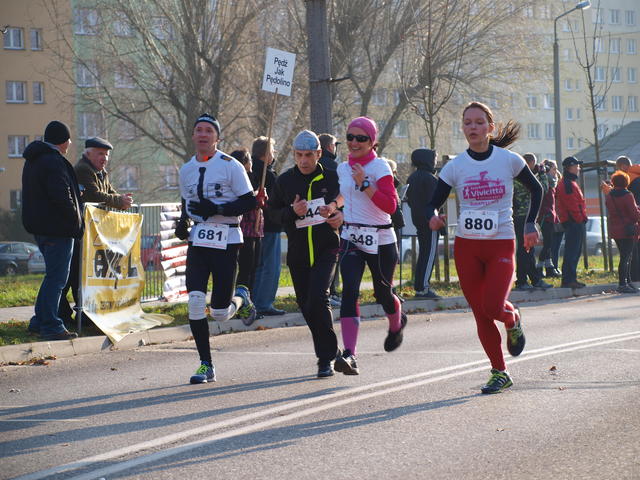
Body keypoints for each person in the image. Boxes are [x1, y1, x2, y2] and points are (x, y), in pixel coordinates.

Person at [426, 101, 542, 394]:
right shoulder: (455, 166)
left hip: (501, 243)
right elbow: (433, 202)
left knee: (492, 306)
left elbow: (537, 188)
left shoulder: (508, 160)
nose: (473, 127)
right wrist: (433, 216)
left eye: (479, 122)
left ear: (490, 127)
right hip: (467, 247)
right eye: (468, 123)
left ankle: (511, 318)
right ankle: (500, 372)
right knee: (480, 313)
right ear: (463, 128)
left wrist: (530, 224)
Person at [175, 113, 257, 384]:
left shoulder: (231, 166)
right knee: (196, 302)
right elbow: (186, 202)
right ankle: (205, 364)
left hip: (227, 240)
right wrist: (183, 222)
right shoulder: (186, 169)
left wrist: (218, 208)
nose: (203, 134)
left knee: (220, 313)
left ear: (217, 137)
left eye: (208, 130)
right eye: (198, 130)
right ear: (193, 135)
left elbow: (249, 202)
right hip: (198, 241)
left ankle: (241, 298)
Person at [335, 116, 407, 376]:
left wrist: (365, 183)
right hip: (351, 236)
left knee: (382, 294)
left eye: (361, 138)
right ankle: (350, 354)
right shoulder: (343, 168)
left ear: (372, 141)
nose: (354, 143)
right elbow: (345, 194)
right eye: (350, 137)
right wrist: (333, 206)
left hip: (381, 238)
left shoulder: (380, 167)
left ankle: (396, 323)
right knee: (349, 292)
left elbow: (390, 206)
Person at [268, 130, 344, 377]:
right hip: (298, 252)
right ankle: (332, 351)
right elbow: (272, 215)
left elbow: (348, 202)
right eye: (299, 155)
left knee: (319, 298)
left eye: (309, 155)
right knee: (307, 306)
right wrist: (292, 211)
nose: (303, 160)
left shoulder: (332, 177)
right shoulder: (285, 181)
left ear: (319, 153)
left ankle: (325, 359)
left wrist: (340, 217)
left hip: (327, 248)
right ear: (293, 154)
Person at [59, 137, 134, 327]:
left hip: (92, 234)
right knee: (72, 276)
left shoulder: (101, 172)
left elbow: (109, 192)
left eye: (106, 155)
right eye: (100, 154)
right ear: (88, 153)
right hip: (80, 232)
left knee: (83, 276)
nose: (104, 158)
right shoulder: (83, 170)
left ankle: (84, 316)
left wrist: (122, 200)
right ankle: (65, 315)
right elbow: (94, 195)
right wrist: (119, 201)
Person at [22, 120, 83, 340]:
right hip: (58, 229)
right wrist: (75, 221)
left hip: (41, 227)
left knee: (52, 277)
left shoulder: (34, 160)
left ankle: (39, 322)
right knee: (57, 279)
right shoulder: (53, 161)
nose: (70, 143)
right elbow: (61, 196)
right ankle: (51, 325)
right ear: (63, 140)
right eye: (69, 139)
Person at [251, 136, 285, 317]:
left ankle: (256, 301)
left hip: (255, 227)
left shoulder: (249, 170)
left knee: (259, 265)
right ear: (264, 154)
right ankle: (263, 303)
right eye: (272, 151)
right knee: (270, 266)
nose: (274, 154)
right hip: (269, 225)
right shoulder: (267, 174)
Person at [231, 148, 263, 323]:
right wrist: (257, 197)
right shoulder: (240, 178)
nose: (251, 164)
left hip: (255, 230)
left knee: (252, 268)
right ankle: (241, 306)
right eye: (249, 160)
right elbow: (247, 201)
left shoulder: (252, 177)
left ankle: (247, 303)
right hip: (245, 231)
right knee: (245, 269)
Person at [512, 153, 552, 291]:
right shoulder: (522, 178)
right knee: (526, 248)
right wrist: (542, 174)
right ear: (528, 164)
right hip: (525, 217)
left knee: (527, 249)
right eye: (533, 165)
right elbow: (543, 189)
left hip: (520, 216)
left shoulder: (514, 177)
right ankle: (524, 280)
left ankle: (531, 279)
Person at [406, 148, 441, 299]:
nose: (435, 161)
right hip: (430, 221)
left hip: (418, 219)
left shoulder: (412, 178)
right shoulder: (430, 179)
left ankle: (419, 285)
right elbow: (436, 201)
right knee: (429, 254)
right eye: (434, 158)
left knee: (424, 254)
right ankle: (423, 288)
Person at [605, 171, 640, 293]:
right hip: (628, 230)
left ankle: (628, 282)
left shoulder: (610, 196)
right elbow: (635, 215)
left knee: (625, 256)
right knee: (626, 257)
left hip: (616, 230)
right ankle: (622, 284)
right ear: (626, 182)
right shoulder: (628, 195)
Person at [556, 156, 587, 289]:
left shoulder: (570, 182)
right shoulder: (567, 184)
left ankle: (570, 279)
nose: (578, 168)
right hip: (573, 222)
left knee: (574, 252)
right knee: (572, 252)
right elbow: (572, 205)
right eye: (576, 166)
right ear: (570, 167)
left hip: (575, 222)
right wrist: (580, 219)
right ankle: (568, 280)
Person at [318, 133, 342, 305]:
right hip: (333, 216)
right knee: (332, 257)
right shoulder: (335, 168)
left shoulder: (314, 165)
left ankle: (322, 292)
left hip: (313, 217)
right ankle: (330, 292)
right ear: (329, 147)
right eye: (334, 145)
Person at [537, 159, 561, 278]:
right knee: (548, 244)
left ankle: (549, 268)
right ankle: (539, 267)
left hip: (551, 215)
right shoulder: (545, 182)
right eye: (554, 169)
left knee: (549, 244)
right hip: (545, 215)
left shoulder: (552, 183)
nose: (556, 171)